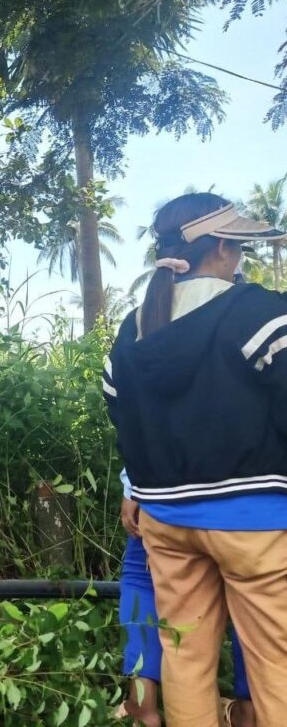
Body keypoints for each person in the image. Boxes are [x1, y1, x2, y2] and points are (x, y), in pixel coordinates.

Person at [104, 193, 287, 726]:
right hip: (253, 521)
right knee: (275, 658)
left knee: (184, 653)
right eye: (239, 247)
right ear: (224, 247)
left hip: (165, 521)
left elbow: (117, 407)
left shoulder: (135, 326)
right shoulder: (258, 312)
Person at [116, 469, 254, 727]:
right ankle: (249, 712)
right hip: (254, 491)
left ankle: (142, 707)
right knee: (251, 596)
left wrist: (133, 485)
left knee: (144, 580)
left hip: (165, 489)